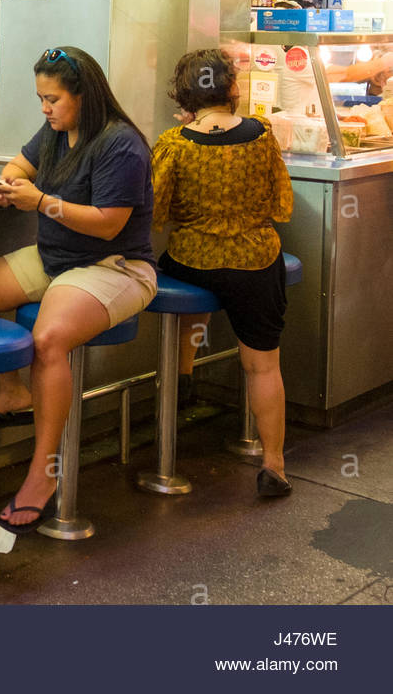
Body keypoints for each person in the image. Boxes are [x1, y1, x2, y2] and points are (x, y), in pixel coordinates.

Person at [0, 46, 157, 533]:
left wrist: (41, 202)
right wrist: (10, 184)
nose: (45, 108)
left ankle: (43, 473)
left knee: (48, 339)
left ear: (85, 96)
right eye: (41, 98)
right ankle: (13, 393)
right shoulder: (58, 131)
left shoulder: (119, 144)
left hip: (115, 266)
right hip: (56, 259)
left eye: (53, 99)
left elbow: (108, 226)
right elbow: (22, 164)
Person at [152, 48, 294, 498]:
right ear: (233, 89)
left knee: (189, 309)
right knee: (262, 364)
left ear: (184, 94)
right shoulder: (262, 135)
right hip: (254, 262)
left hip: (194, 260)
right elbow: (280, 203)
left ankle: (183, 379)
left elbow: (156, 212)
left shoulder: (174, 142)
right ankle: (274, 464)